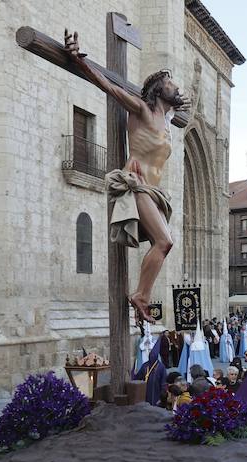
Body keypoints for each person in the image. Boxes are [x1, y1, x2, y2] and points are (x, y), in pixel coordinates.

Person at [64, 31, 191, 325]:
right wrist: (77, 59)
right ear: (158, 90)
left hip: (154, 192)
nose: (176, 87)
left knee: (163, 243)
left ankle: (141, 296)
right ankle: (141, 296)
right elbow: (108, 87)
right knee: (164, 242)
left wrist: (176, 106)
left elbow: (179, 108)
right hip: (138, 188)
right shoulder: (143, 110)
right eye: (171, 84)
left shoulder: (166, 120)